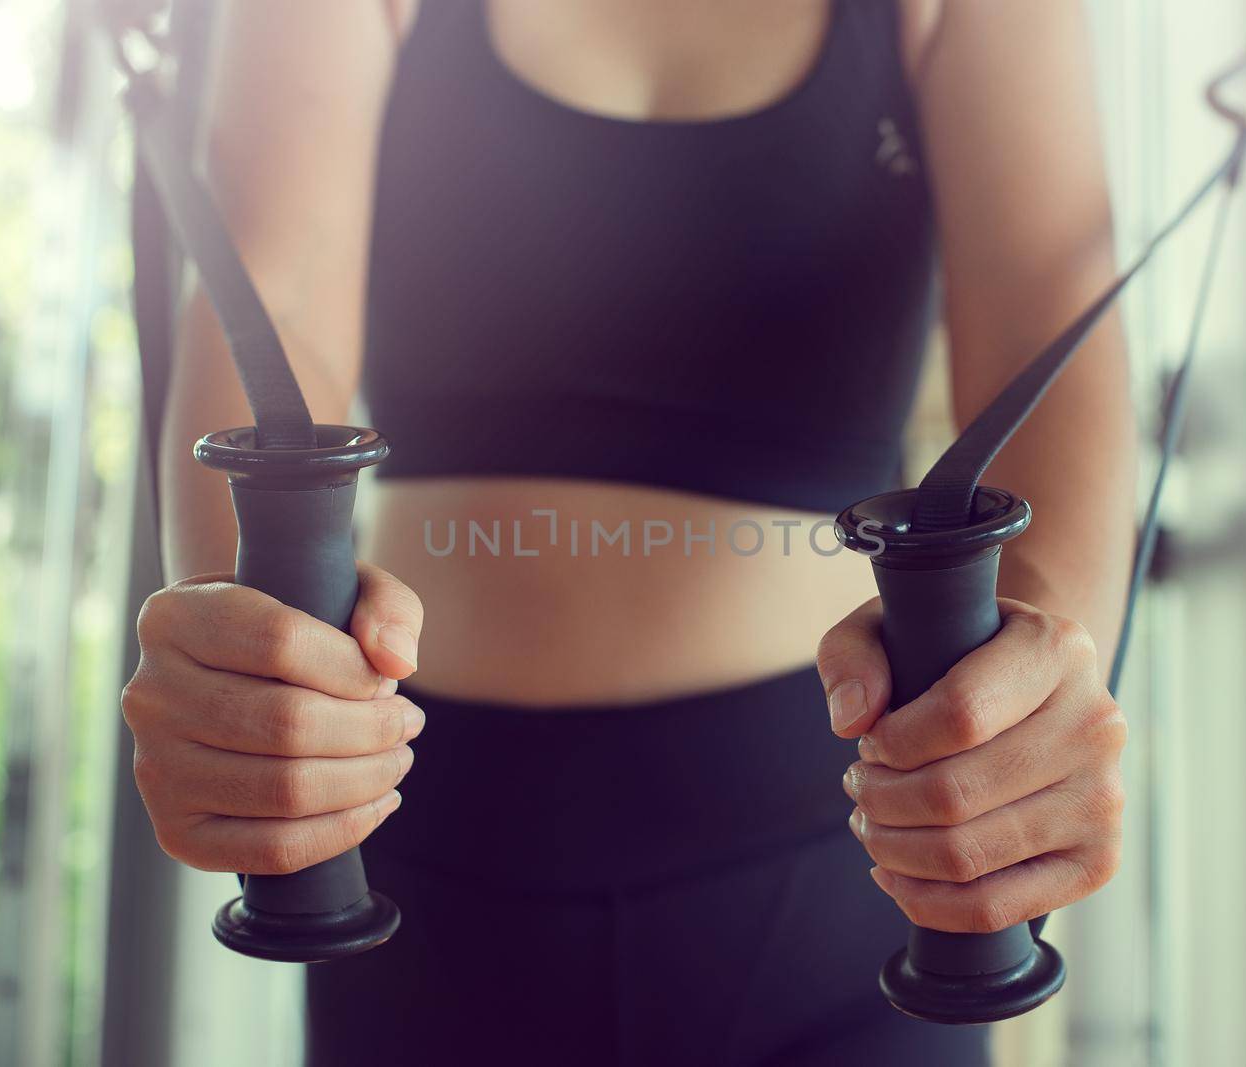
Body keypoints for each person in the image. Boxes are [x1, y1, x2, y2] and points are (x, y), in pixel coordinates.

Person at [118, 0, 1133, 1062]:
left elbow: (1053, 293)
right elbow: (263, 285)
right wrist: (241, 661)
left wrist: (1033, 695)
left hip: (847, 849)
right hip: (403, 842)